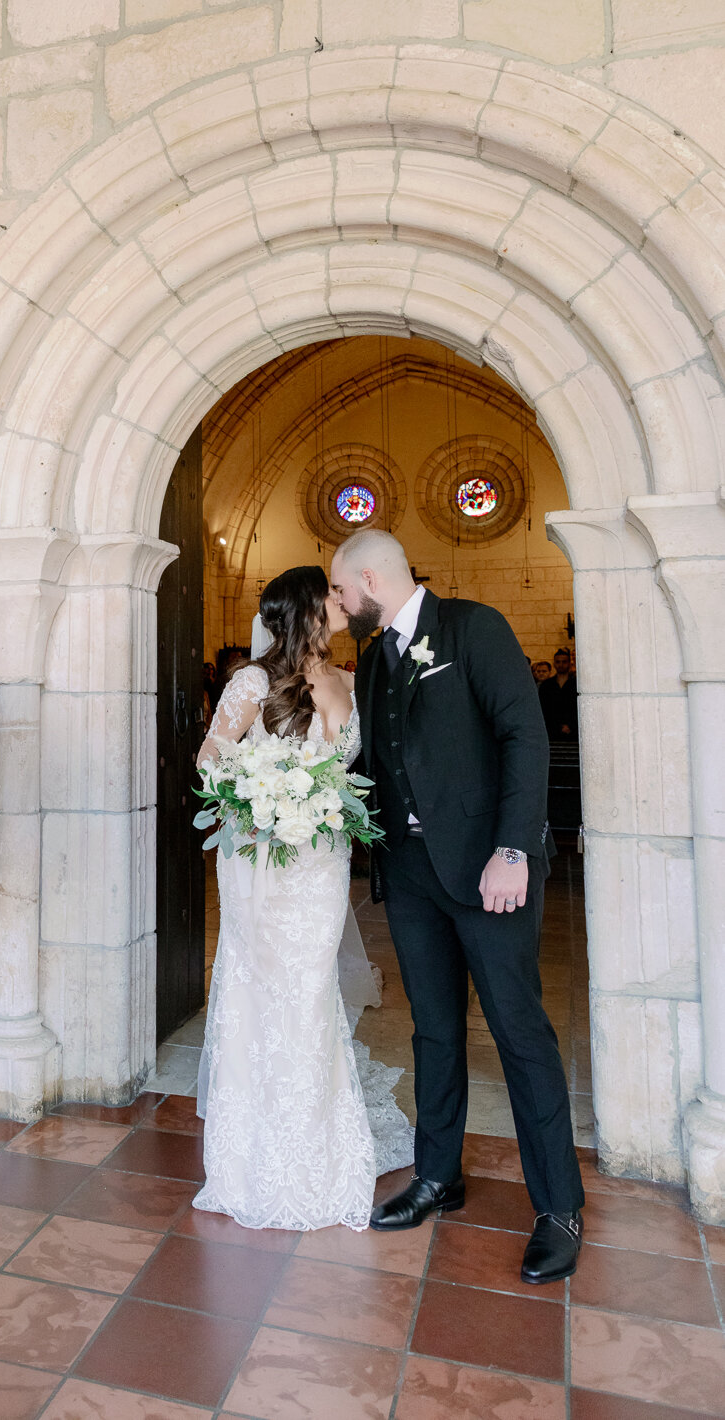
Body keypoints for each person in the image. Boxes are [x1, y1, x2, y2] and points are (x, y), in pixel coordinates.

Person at [330, 529, 584, 1284]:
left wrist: (513, 850)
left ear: (370, 579)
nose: (341, 609)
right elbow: (379, 762)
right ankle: (438, 1176)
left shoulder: (473, 627)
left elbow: (523, 737)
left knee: (517, 1031)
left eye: (343, 593)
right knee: (433, 1029)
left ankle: (559, 1208)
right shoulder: (373, 661)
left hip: (488, 871)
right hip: (410, 876)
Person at [193, 565, 413, 1231]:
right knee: (262, 988)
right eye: (332, 593)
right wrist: (258, 798)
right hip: (262, 859)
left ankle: (314, 1138)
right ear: (306, 607)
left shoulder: (350, 679)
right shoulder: (251, 682)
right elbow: (209, 758)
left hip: (321, 863)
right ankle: (252, 1147)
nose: (345, 601)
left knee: (311, 990)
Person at [539, 648, 579, 741]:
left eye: (564, 662)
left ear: (569, 663)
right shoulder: (546, 685)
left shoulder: (577, 684)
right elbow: (544, 709)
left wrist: (571, 726)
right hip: (552, 732)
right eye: (558, 662)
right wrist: (557, 726)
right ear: (554, 663)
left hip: (574, 732)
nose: (561, 665)